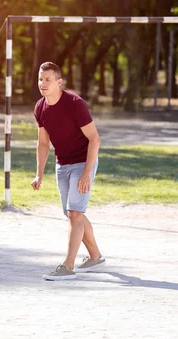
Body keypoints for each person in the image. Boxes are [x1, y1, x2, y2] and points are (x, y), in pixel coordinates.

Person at [31, 61, 106, 281]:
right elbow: (43, 143)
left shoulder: (74, 103)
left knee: (75, 213)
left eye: (47, 79)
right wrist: (39, 173)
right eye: (40, 79)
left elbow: (95, 138)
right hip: (62, 164)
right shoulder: (40, 107)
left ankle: (68, 266)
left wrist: (86, 173)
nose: (43, 83)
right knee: (73, 213)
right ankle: (95, 256)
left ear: (59, 82)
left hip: (83, 162)